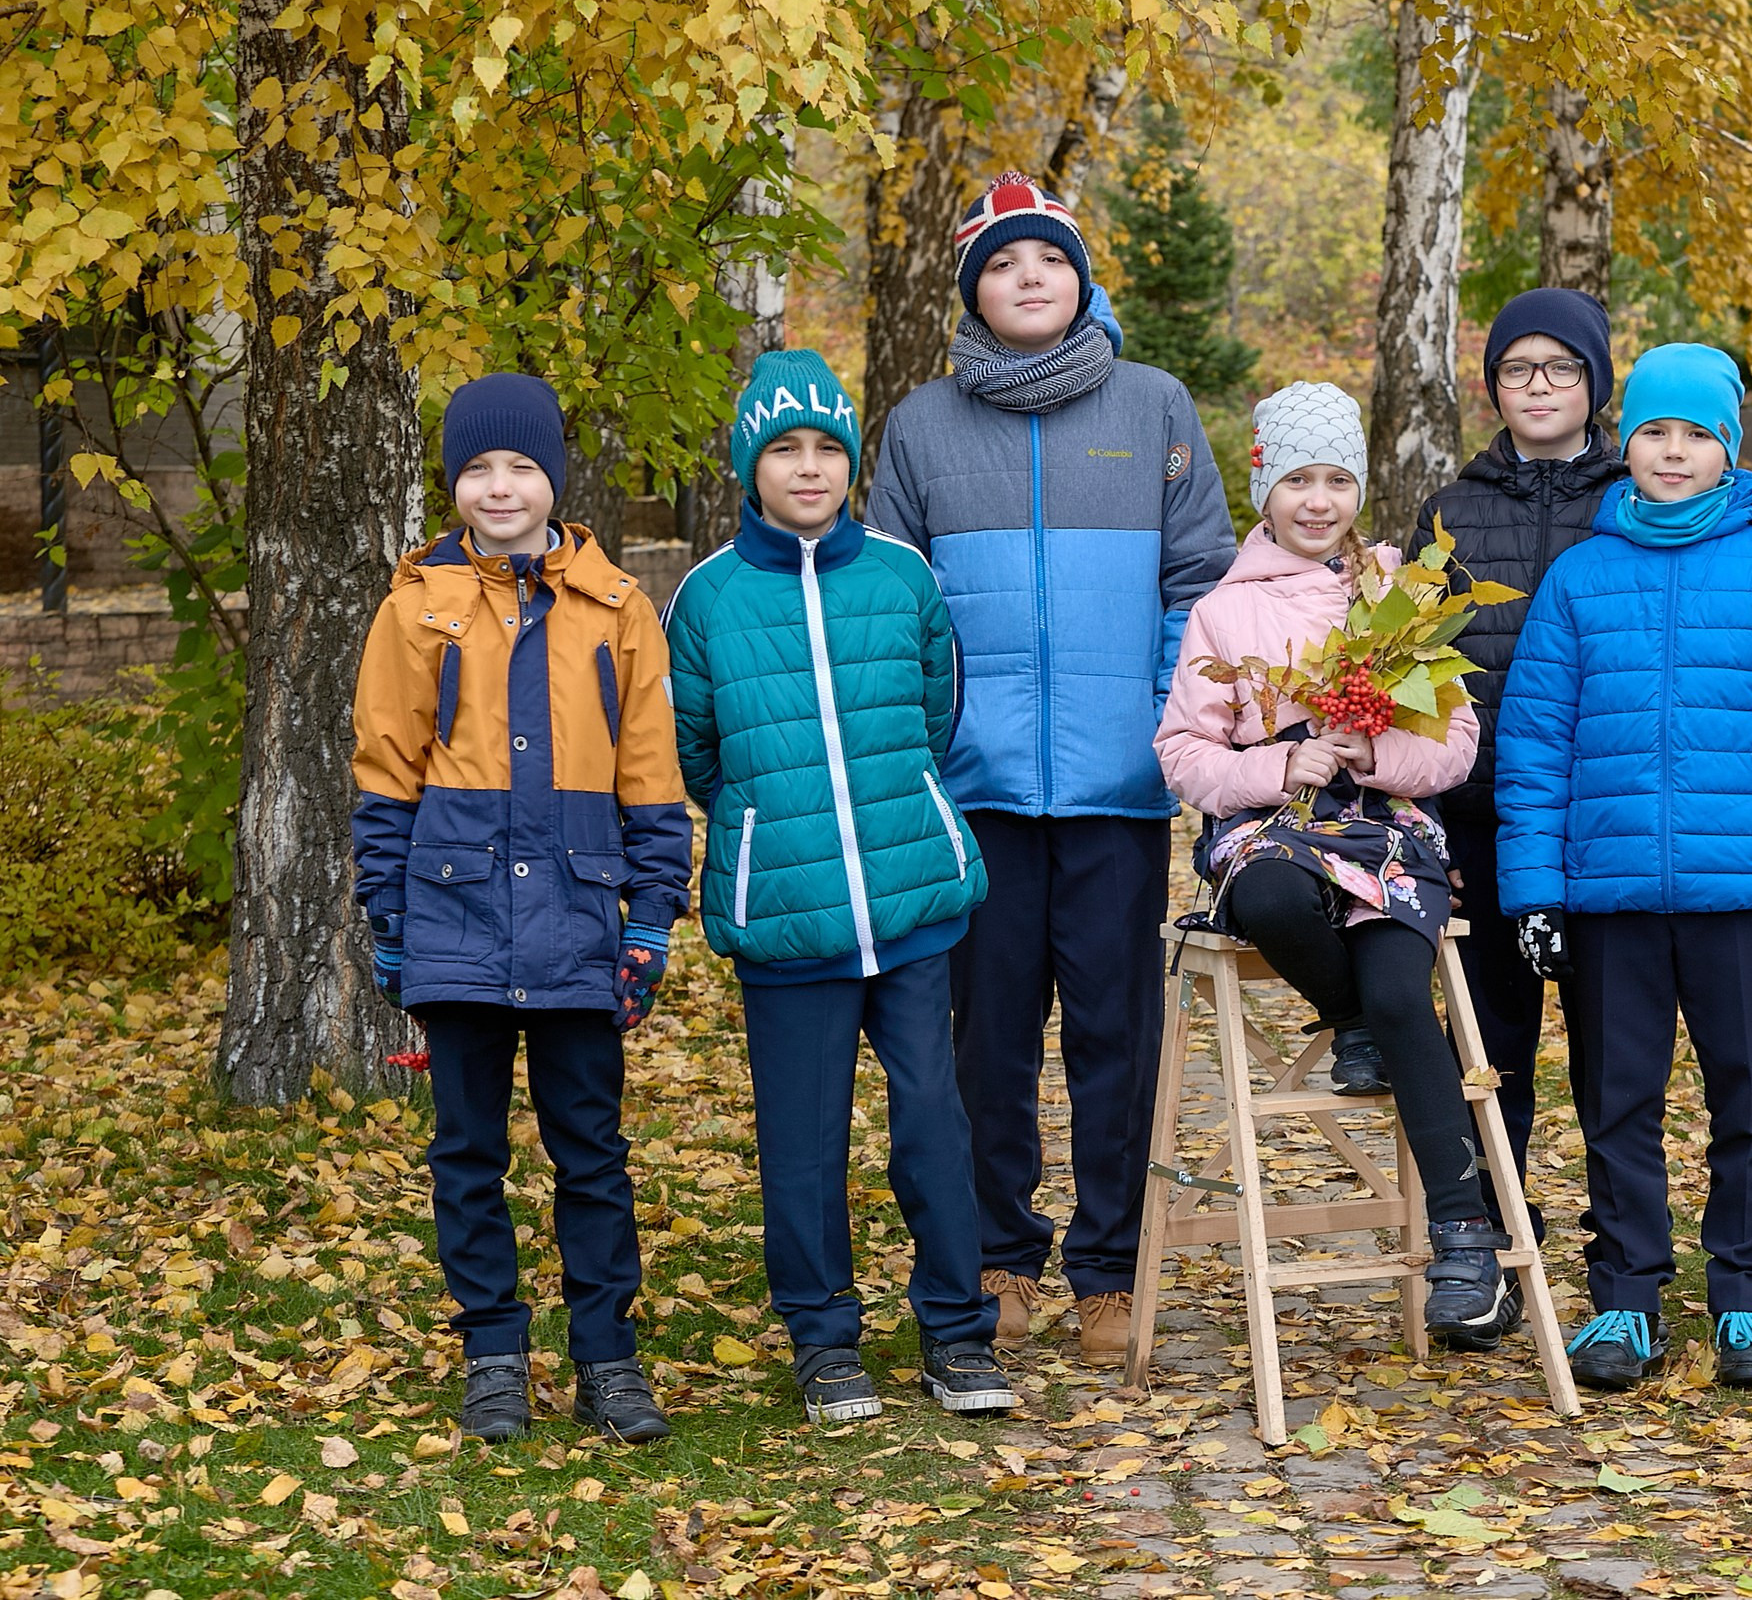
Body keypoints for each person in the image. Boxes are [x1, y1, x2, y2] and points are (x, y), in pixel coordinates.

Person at [866, 173, 1237, 1363]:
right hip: (971, 794)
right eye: (1003, 264)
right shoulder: (921, 425)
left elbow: (1201, 583)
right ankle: (995, 1257)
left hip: (1115, 790)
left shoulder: (1156, 405)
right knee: (987, 1040)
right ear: (972, 288)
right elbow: (894, 602)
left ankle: (1111, 1270)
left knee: (1115, 1037)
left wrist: (1158, 712)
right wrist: (925, 743)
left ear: (1082, 281)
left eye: (1050, 261)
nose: (1029, 278)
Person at [1496, 344, 1752, 1392]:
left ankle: (1744, 1297)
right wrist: (1535, 888)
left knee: (1747, 1099)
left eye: (1697, 434)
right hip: (1607, 898)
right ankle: (1626, 1301)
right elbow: (1534, 746)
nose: (1672, 451)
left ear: (1729, 451)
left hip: (1742, 896)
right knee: (1617, 1102)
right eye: (1655, 431)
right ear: (1626, 444)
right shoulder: (1579, 577)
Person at [663, 348, 1016, 1422]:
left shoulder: (902, 576)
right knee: (803, 1141)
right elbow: (699, 756)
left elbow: (934, 710)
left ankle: (956, 1332)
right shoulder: (707, 599)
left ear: (852, 460)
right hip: (787, 916)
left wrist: (898, 801)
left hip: (911, 905)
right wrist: (771, 833)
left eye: (826, 448)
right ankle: (822, 1341)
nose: (808, 468)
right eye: (785, 450)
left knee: (932, 1126)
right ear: (749, 466)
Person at [351, 372, 688, 1444]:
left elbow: (650, 771)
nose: (500, 487)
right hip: (453, 916)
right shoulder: (413, 611)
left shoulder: (617, 610)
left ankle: (607, 1358)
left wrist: (648, 918)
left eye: (522, 466)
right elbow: (384, 772)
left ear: (554, 478)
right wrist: (391, 919)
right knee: (468, 1152)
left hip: (583, 919)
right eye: (478, 469)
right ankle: (492, 1352)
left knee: (589, 1148)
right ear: (453, 484)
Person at [1155, 381, 1515, 1345]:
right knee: (1268, 896)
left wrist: (1373, 755)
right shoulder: (1224, 616)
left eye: (1339, 480)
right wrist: (1279, 762)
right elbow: (1183, 753)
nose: (1319, 501)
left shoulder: (1398, 592)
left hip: (1387, 831)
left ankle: (1465, 1236)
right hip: (1274, 827)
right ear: (1264, 488)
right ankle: (1348, 1015)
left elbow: (1456, 742)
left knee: (1406, 994)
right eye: (1298, 480)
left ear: (1360, 488)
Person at [1409, 289, 1627, 1306]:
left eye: (1560, 369)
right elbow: (1417, 671)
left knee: (1613, 1054)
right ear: (1492, 387)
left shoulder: (1635, 502)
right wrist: (1431, 824)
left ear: (1594, 384)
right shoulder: (1451, 511)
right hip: (1484, 825)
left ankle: (1621, 1254)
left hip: (1608, 824)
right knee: (1489, 1051)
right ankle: (1491, 1246)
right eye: (1516, 370)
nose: (1537, 387)